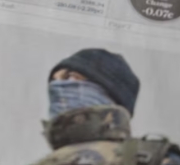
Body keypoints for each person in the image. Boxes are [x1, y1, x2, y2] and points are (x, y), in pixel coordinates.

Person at [32, 48, 180, 165]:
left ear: (109, 91)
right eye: (54, 81)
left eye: (70, 76)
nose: (58, 86)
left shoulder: (154, 159)